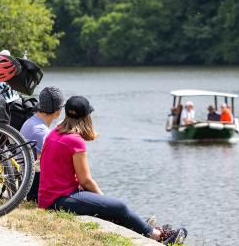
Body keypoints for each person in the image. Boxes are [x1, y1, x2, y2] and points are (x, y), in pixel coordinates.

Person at [39, 96, 187, 244]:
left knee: (112, 207)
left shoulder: (55, 132)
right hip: (59, 200)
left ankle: (142, 226)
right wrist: (104, 201)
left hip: (50, 197)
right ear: (86, 117)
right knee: (118, 206)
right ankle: (159, 236)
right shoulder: (74, 140)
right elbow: (86, 181)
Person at [20, 86, 65, 202]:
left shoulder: (31, 121)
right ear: (58, 112)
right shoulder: (42, 131)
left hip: (23, 175)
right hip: (32, 186)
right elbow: (45, 165)